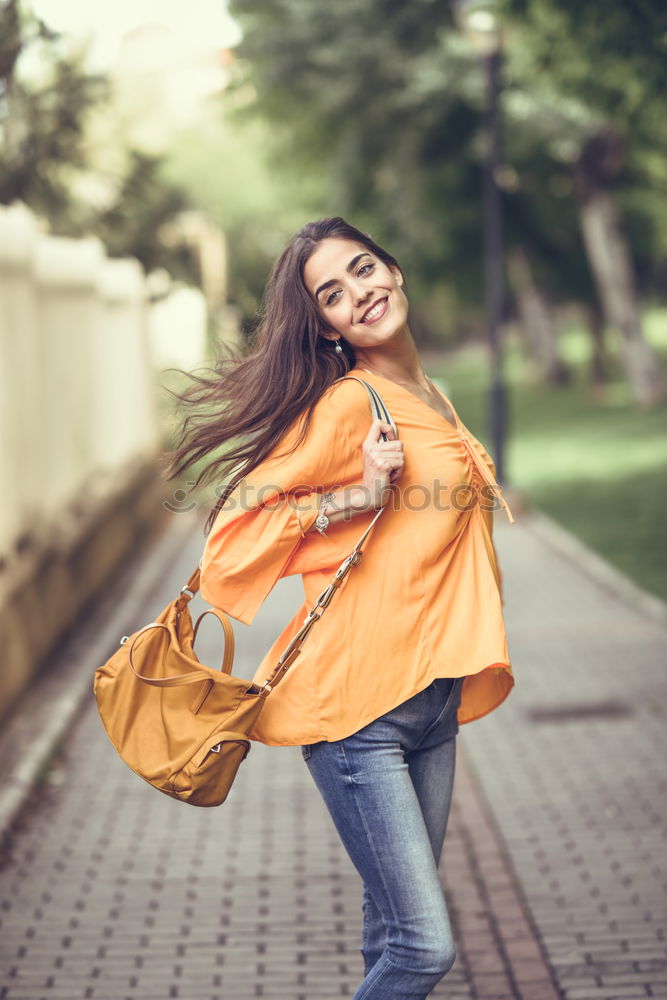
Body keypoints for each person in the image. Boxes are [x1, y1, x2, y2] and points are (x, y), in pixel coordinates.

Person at [164, 217, 516, 1000]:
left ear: (393, 267)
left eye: (362, 269)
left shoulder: (431, 394)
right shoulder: (349, 405)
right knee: (423, 951)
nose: (358, 293)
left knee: (388, 933)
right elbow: (233, 529)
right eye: (332, 293)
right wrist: (354, 495)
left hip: (430, 700)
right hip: (360, 717)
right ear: (324, 325)